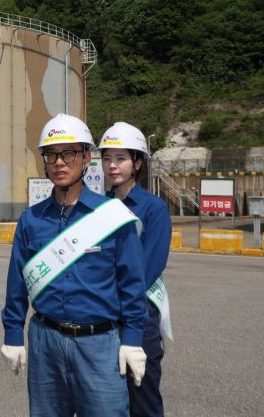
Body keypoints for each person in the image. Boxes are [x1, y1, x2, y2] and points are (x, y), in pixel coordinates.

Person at [0, 113, 148, 417]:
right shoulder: (31, 219)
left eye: (69, 153)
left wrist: (132, 339)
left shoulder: (111, 216)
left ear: (86, 158)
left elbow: (132, 283)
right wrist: (13, 332)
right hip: (45, 341)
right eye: (51, 154)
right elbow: (17, 283)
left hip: (100, 344)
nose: (59, 162)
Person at [99, 122, 172, 417]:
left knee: (142, 397)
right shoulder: (98, 207)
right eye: (106, 158)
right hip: (104, 316)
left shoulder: (153, 209)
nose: (112, 166)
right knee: (106, 399)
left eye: (121, 159)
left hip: (139, 316)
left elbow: (148, 268)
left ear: (137, 162)